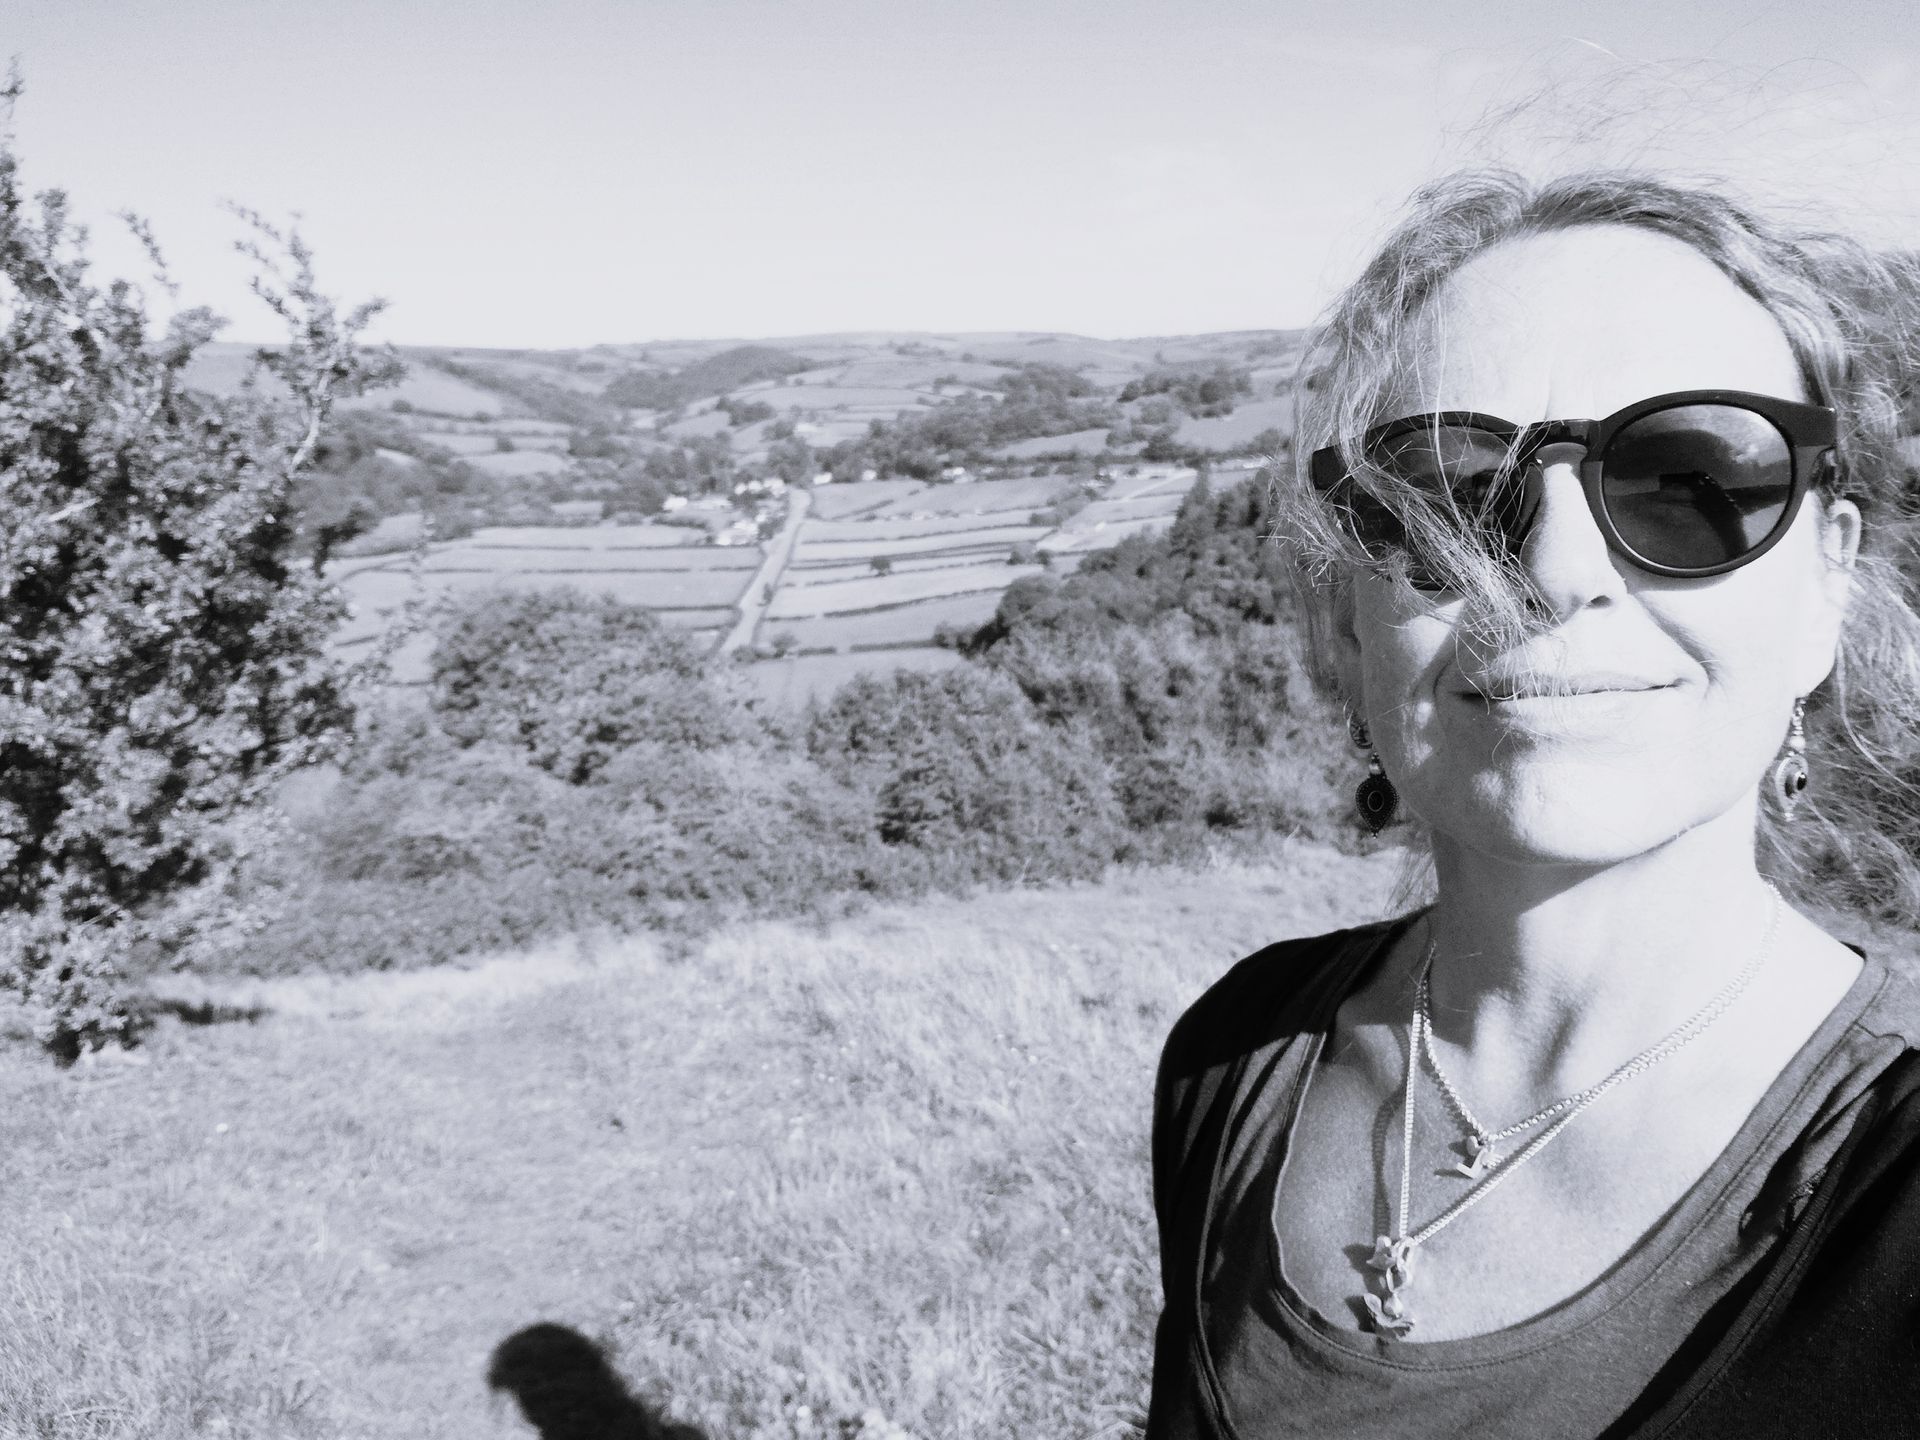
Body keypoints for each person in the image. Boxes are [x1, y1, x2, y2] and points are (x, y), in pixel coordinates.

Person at [1145, 169, 1920, 1439]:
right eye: (1446, 491)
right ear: (1348, 617)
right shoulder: (1235, 1063)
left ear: (1827, 586)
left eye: (1690, 476)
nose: (1556, 571)